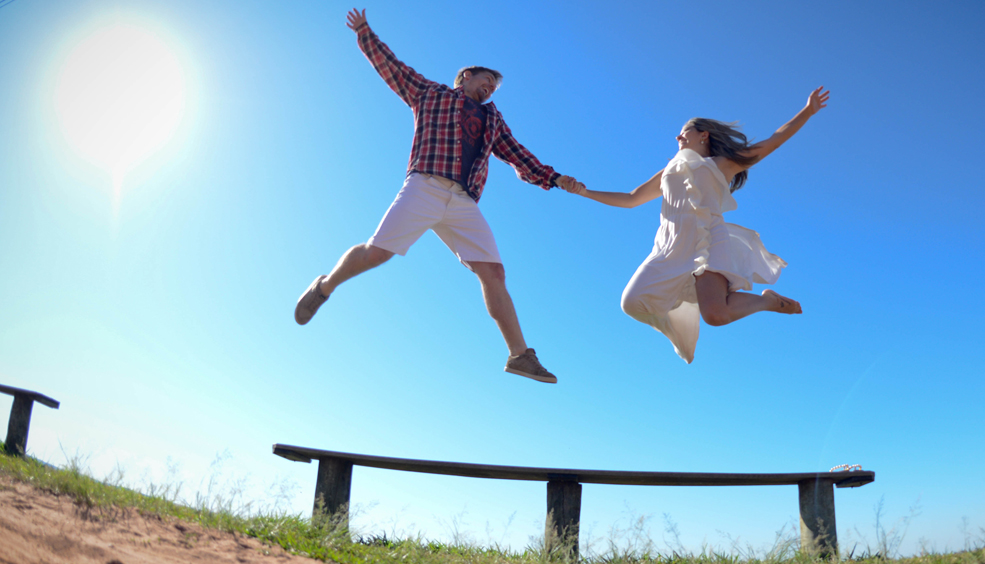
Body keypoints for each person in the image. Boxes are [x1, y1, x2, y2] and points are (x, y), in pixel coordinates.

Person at [295, 8, 580, 384]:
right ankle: (325, 286)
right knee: (377, 253)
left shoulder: (493, 120)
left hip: (463, 203)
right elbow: (392, 68)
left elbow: (518, 154)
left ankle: (519, 356)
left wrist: (555, 178)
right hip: (425, 185)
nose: (490, 88)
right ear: (465, 77)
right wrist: (365, 32)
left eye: (495, 87)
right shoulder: (430, 94)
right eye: (486, 80)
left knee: (494, 271)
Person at [565, 88, 830, 363]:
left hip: (708, 240)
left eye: (684, 132)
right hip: (670, 246)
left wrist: (807, 111)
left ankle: (768, 301)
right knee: (631, 302)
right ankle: (694, 308)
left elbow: (773, 141)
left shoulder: (722, 164)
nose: (678, 137)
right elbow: (632, 199)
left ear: (704, 135)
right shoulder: (671, 170)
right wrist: (585, 192)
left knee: (716, 316)